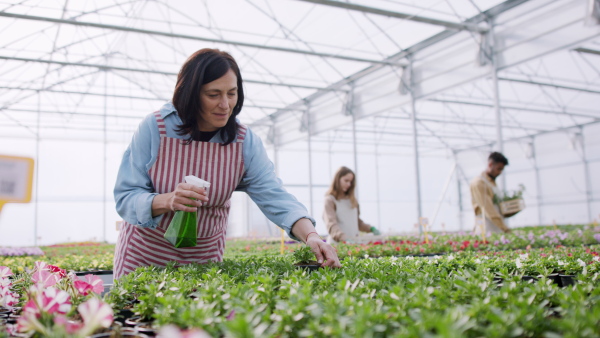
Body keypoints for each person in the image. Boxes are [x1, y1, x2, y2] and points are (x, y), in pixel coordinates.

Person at [113, 49, 341, 278]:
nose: (225, 104)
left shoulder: (244, 142)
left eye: (232, 93)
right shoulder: (155, 128)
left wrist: (311, 235)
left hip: (204, 263)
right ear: (191, 94)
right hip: (145, 259)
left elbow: (274, 195)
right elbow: (126, 197)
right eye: (213, 95)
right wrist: (167, 200)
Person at [322, 166, 380, 244]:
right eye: (346, 181)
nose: (349, 184)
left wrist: (371, 228)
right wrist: (343, 238)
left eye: (351, 182)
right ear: (337, 179)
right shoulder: (330, 200)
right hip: (338, 244)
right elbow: (331, 224)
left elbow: (356, 222)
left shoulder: (352, 200)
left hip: (353, 242)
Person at [470, 152, 511, 235]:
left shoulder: (491, 182)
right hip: (486, 228)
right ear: (490, 165)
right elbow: (488, 209)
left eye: (502, 169)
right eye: (499, 169)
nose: (500, 172)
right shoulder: (479, 183)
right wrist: (505, 229)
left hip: (496, 227)